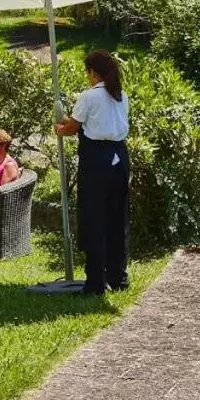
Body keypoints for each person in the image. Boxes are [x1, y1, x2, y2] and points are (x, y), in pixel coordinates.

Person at [54, 49, 130, 296]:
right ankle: (117, 275)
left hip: (97, 160)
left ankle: (96, 281)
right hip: (120, 158)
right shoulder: (121, 96)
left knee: (94, 218)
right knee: (117, 217)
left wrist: (59, 127)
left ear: (92, 72)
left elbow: (72, 127)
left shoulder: (89, 96)